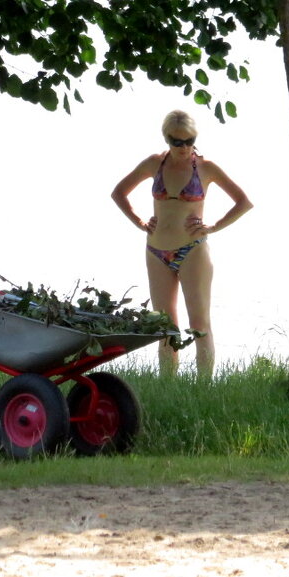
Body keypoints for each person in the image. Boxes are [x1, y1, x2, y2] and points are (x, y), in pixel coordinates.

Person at [111, 110, 253, 378]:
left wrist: (213, 226)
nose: (184, 147)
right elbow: (118, 192)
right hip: (155, 250)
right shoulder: (155, 164)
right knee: (164, 325)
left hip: (193, 251)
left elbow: (243, 202)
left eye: (190, 140)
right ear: (166, 139)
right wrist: (139, 222)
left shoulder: (206, 168)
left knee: (199, 323)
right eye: (177, 142)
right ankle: (168, 383)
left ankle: (203, 388)